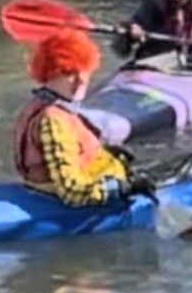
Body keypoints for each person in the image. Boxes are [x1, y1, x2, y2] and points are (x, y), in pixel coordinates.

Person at [13, 29, 156, 207]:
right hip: (76, 201)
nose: (81, 80)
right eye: (69, 73)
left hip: (81, 180)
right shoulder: (53, 120)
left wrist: (106, 152)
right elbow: (72, 191)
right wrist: (123, 189)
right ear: (50, 73)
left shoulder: (38, 105)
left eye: (83, 72)